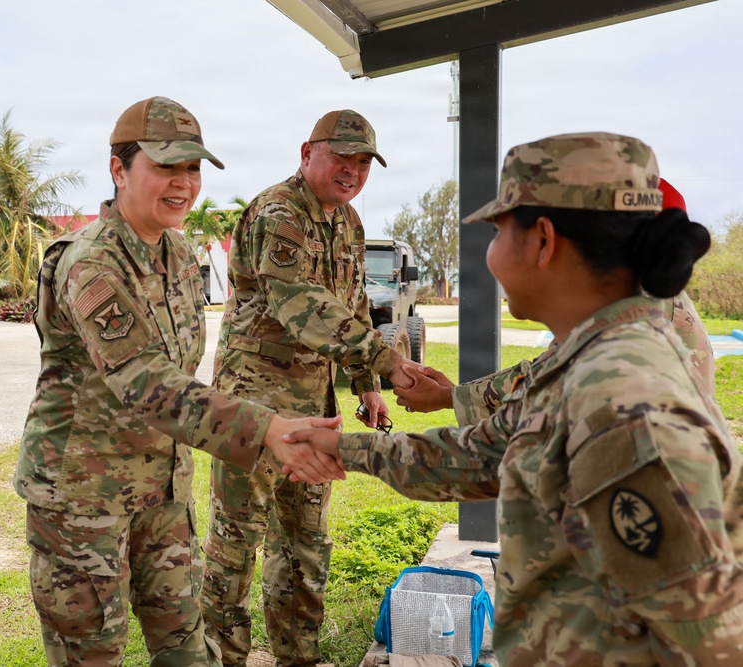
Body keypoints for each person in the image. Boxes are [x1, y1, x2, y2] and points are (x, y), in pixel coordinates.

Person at [284, 132, 743, 665]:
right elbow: (477, 455)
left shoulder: (629, 406)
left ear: (543, 240)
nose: (491, 256)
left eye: (499, 232)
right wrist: (346, 450)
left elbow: (709, 641)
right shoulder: (588, 361)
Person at [13, 96, 345, 667]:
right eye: (166, 166)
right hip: (82, 503)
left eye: (192, 168)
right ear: (119, 170)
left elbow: (185, 371)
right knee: (92, 656)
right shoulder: (90, 262)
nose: (184, 184)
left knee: (188, 651)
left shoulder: (181, 256)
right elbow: (145, 380)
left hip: (162, 494)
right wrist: (264, 427)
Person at [201, 109, 413, 667]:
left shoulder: (348, 223)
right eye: (341, 157)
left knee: (305, 545)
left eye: (363, 161)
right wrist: (384, 359)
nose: (352, 171)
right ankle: (223, 658)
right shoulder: (278, 212)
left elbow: (352, 303)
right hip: (253, 408)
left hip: (313, 409)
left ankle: (298, 657)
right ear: (307, 153)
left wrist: (366, 385)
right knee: (236, 546)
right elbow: (302, 306)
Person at [395, 178, 716, 423]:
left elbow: (545, 382)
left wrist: (449, 397)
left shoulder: (637, 308)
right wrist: (452, 396)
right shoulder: (640, 295)